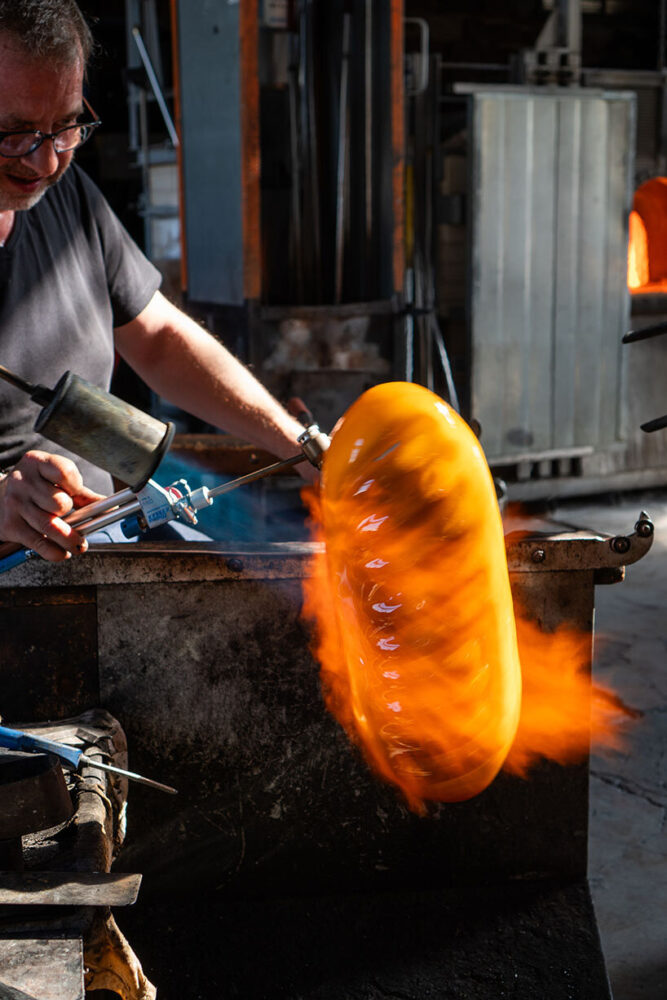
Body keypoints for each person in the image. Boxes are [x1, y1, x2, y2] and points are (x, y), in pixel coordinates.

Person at [0, 0, 312, 562]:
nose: (45, 163)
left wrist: (300, 446)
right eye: (16, 133)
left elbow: (161, 341)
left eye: (66, 127)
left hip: (101, 552)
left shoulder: (69, 201)